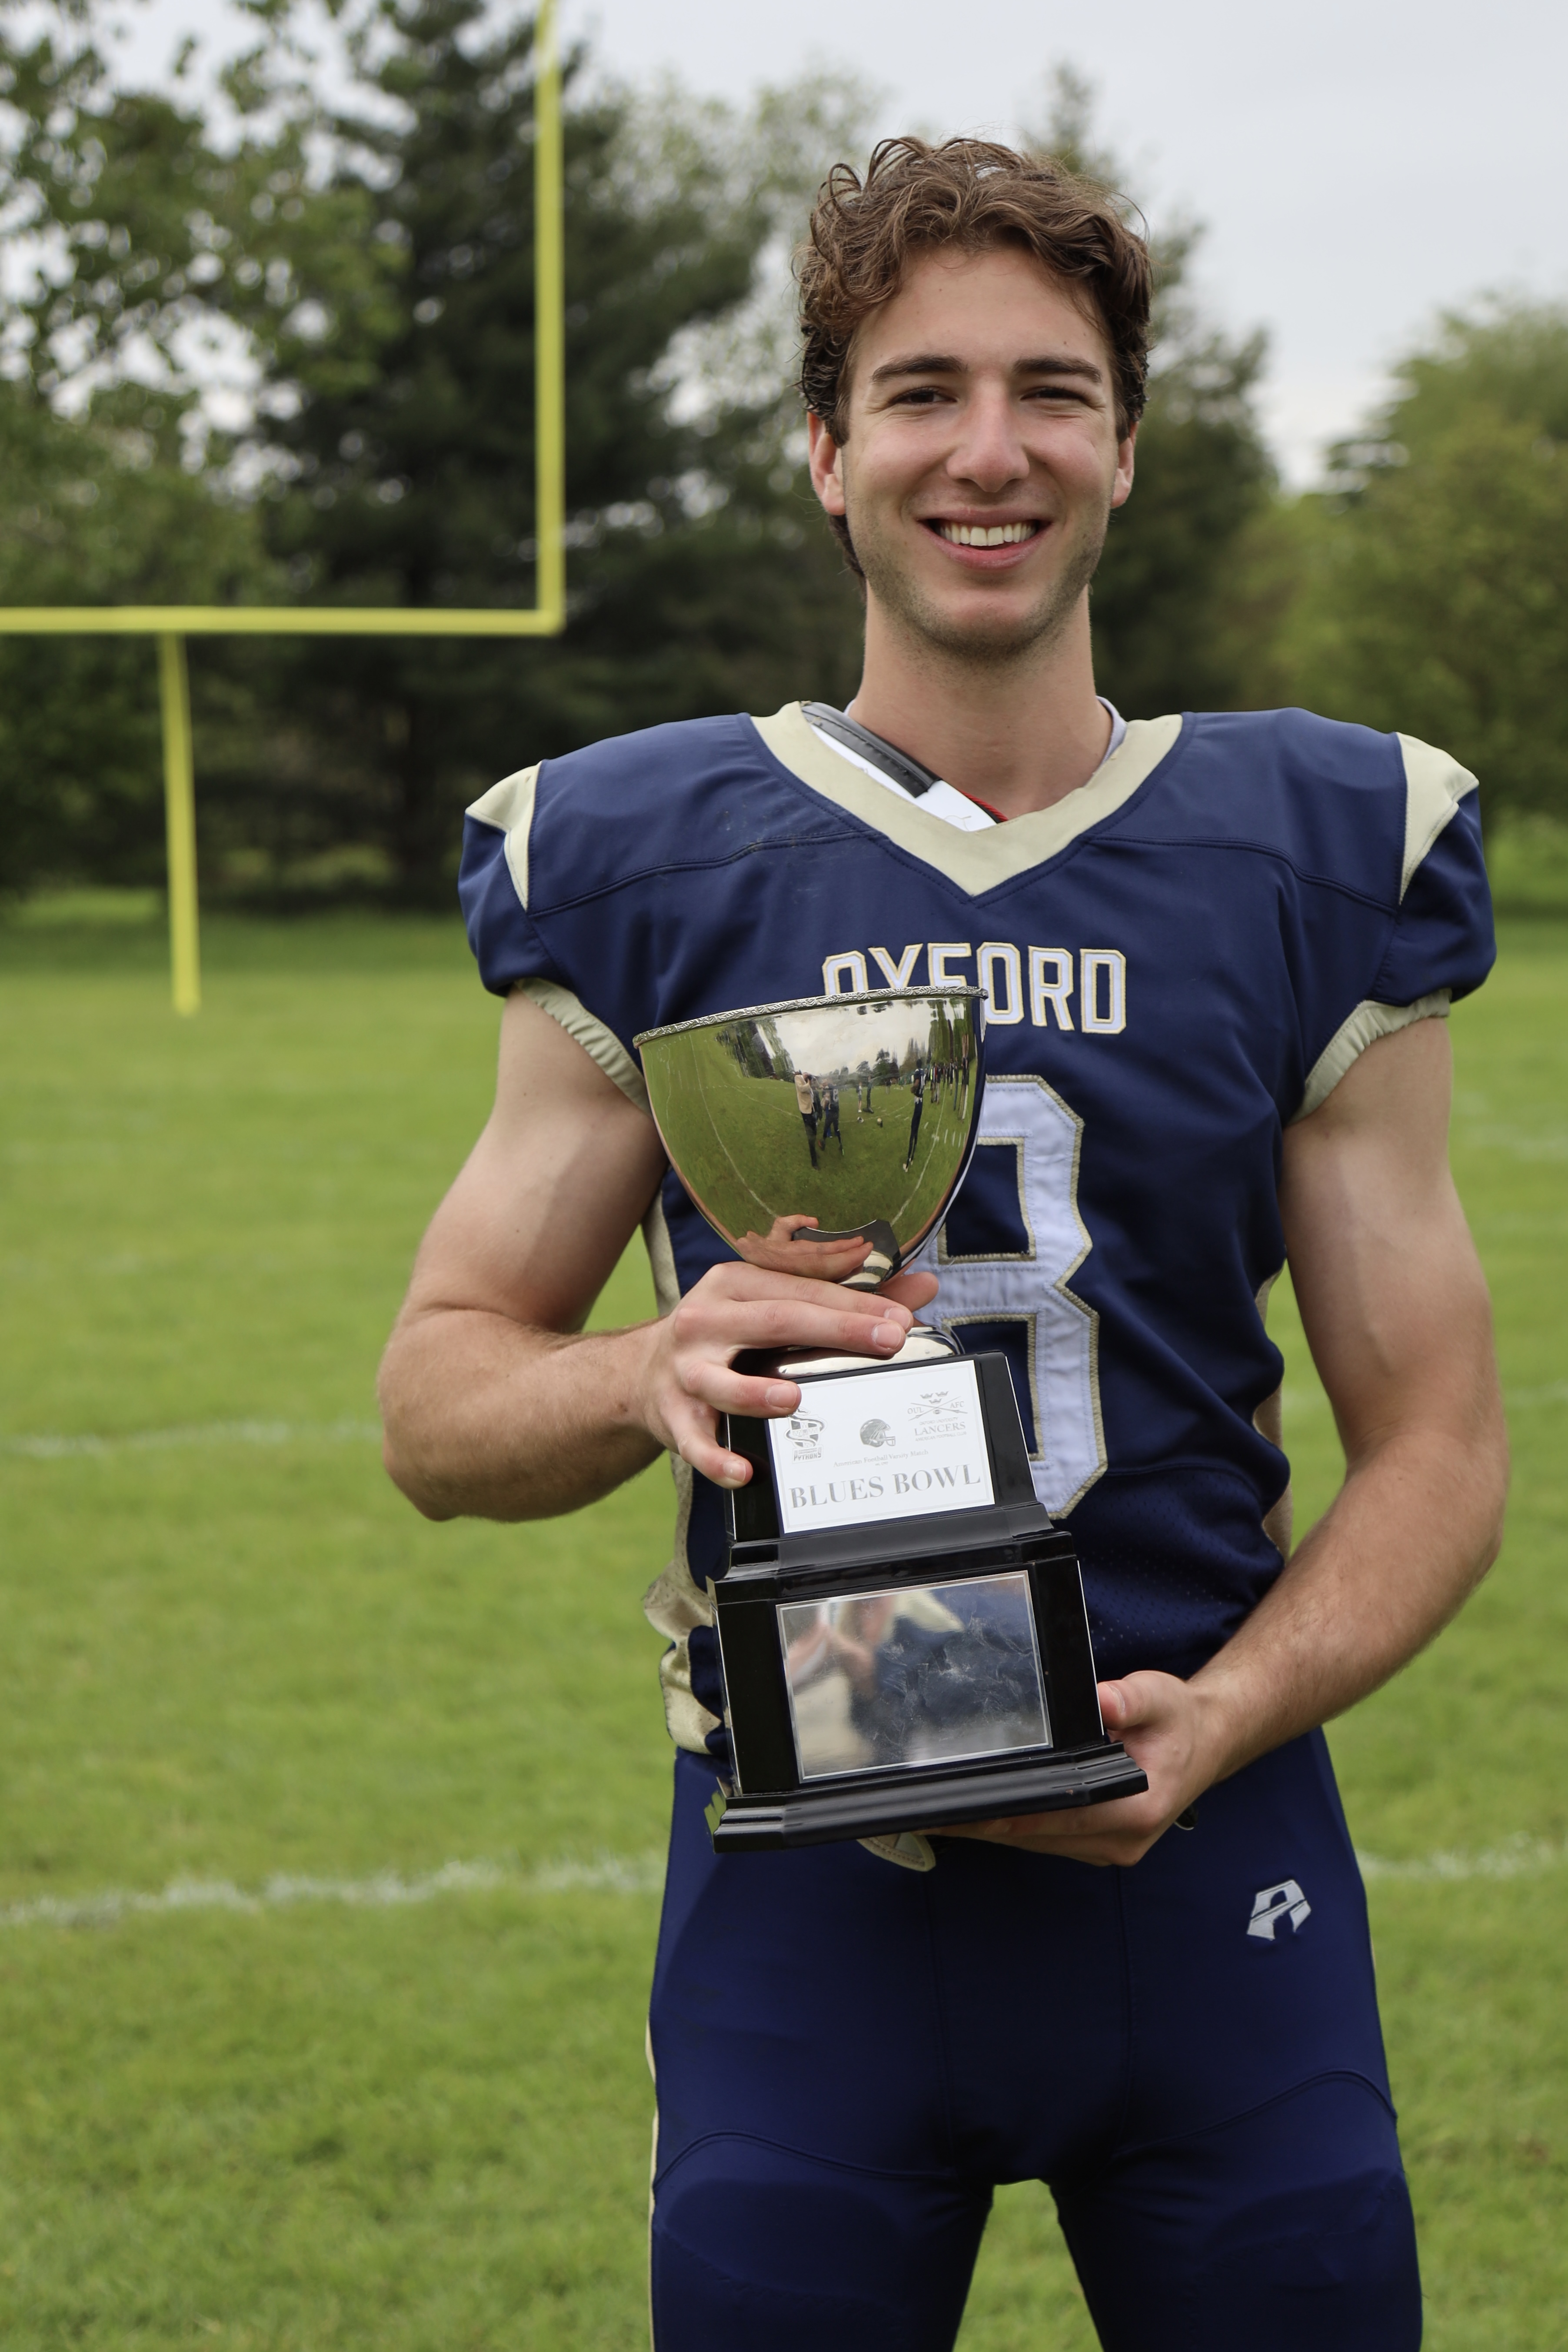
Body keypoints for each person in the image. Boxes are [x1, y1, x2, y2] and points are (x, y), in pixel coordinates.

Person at [379, 136, 1505, 2352]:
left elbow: (1443, 1436)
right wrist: (637, 1368)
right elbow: (435, 1394)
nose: (985, 450)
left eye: (1048, 390)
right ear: (823, 447)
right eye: (917, 392)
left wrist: (1233, 1711)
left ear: (1120, 444)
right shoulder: (643, 853)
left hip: (1212, 1853)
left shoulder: (1311, 852)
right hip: (813, 1899)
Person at [793, 1066, 819, 1166]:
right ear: (802, 1074)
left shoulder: (808, 1082)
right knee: (810, 1135)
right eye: (805, 1074)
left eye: (807, 1074)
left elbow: (813, 1091)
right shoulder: (798, 1078)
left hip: (812, 1109)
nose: (806, 1075)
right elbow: (802, 1089)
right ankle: (814, 1162)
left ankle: (814, 1150)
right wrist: (809, 1083)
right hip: (805, 1111)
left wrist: (812, 1082)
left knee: (815, 1132)